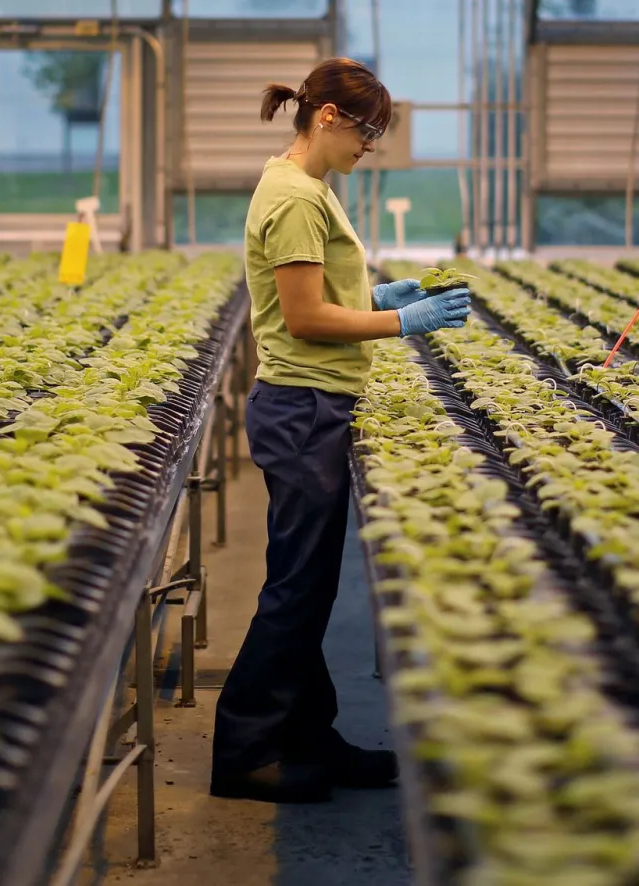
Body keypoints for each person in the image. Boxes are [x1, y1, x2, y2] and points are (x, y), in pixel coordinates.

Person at [210, 58, 472, 805]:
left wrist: (384, 292)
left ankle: (308, 736)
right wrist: (401, 321)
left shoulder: (305, 187)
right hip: (302, 408)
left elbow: (323, 291)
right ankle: (245, 750)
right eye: (368, 130)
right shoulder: (295, 196)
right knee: (296, 589)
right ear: (326, 116)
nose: (372, 146)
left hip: (313, 404)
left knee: (311, 585)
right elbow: (303, 318)